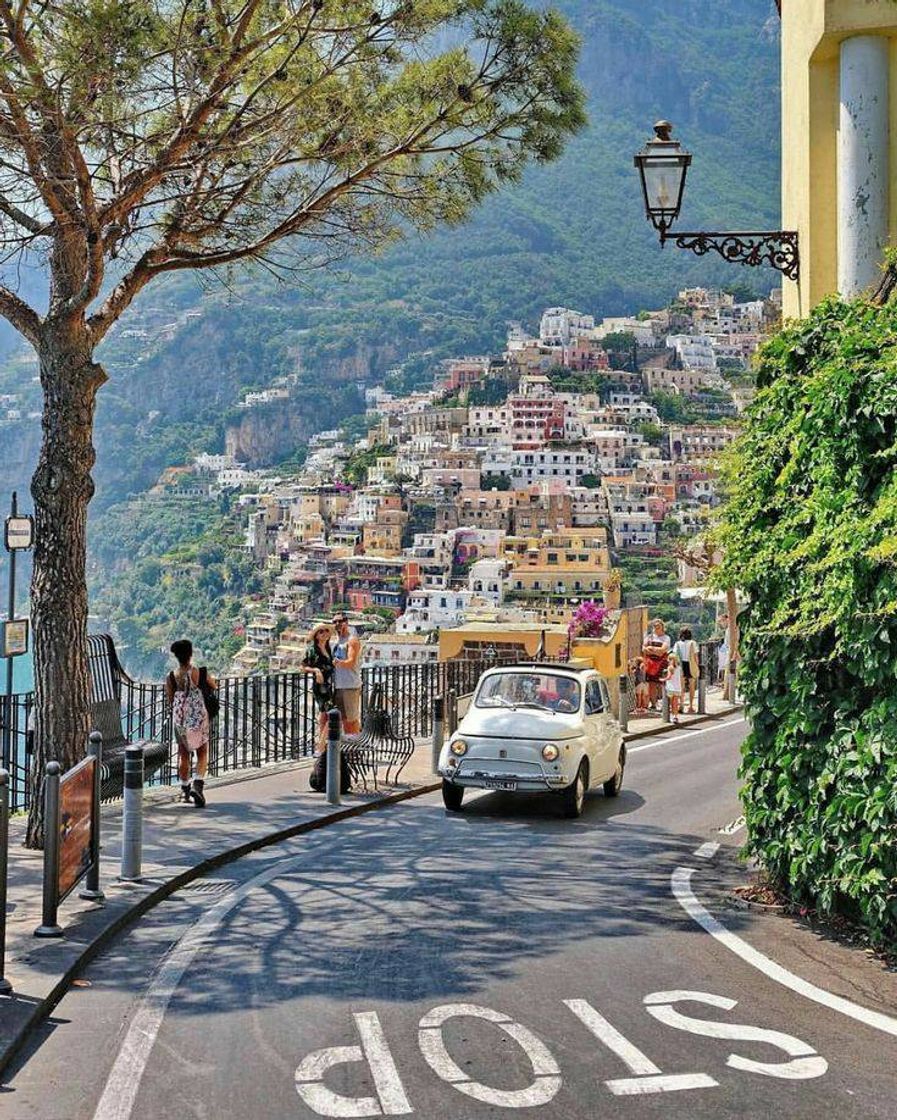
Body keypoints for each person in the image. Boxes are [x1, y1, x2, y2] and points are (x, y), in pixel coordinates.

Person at [165, 639, 216, 808]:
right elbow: (213, 685)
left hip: (180, 719)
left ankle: (185, 789)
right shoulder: (199, 672)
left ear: (176, 656)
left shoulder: (171, 677)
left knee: (183, 754)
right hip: (198, 717)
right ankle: (198, 785)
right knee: (202, 752)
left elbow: (171, 699)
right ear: (190, 653)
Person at [302, 623, 335, 751]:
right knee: (328, 712)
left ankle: (321, 743)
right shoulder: (312, 649)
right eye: (321, 632)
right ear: (316, 635)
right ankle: (321, 745)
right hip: (320, 686)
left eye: (326, 631)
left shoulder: (328, 648)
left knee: (325, 714)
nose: (324, 633)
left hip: (329, 684)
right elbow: (303, 667)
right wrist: (316, 670)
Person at [331, 613, 362, 735]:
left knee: (351, 719)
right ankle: (351, 744)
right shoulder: (337, 641)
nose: (338, 624)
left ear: (346, 622)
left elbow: (351, 662)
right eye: (335, 622)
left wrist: (336, 663)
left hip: (349, 685)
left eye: (341, 621)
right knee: (343, 719)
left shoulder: (352, 640)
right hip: (339, 685)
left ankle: (355, 746)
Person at [642, 619, 671, 710]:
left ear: (662, 627)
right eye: (655, 626)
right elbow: (643, 649)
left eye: (658, 626)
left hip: (662, 663)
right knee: (652, 684)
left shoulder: (666, 638)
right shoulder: (649, 637)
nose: (656, 628)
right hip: (650, 663)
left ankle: (664, 704)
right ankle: (653, 704)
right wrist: (656, 651)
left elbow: (663, 651)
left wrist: (650, 648)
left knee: (663, 683)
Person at [673, 627, 700, 714]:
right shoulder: (693, 643)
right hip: (690, 664)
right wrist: (697, 666)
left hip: (681, 665)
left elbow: (674, 656)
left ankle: (681, 705)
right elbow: (696, 657)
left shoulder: (677, 644)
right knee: (692, 686)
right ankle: (691, 706)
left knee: (681, 687)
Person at [663, 652, 683, 723]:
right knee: (675, 703)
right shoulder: (679, 668)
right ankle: (675, 716)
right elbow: (681, 678)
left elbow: (669, 677)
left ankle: (673, 716)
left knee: (672, 703)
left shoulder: (669, 668)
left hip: (671, 687)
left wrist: (663, 679)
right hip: (677, 688)